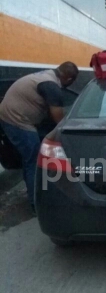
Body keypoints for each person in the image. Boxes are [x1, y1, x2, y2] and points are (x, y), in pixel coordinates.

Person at [0, 62, 79, 213]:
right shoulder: (51, 86)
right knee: (34, 160)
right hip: (17, 121)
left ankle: (34, 192)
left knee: (31, 156)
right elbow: (59, 121)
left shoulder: (46, 75)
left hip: (10, 115)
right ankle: (36, 203)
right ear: (69, 79)